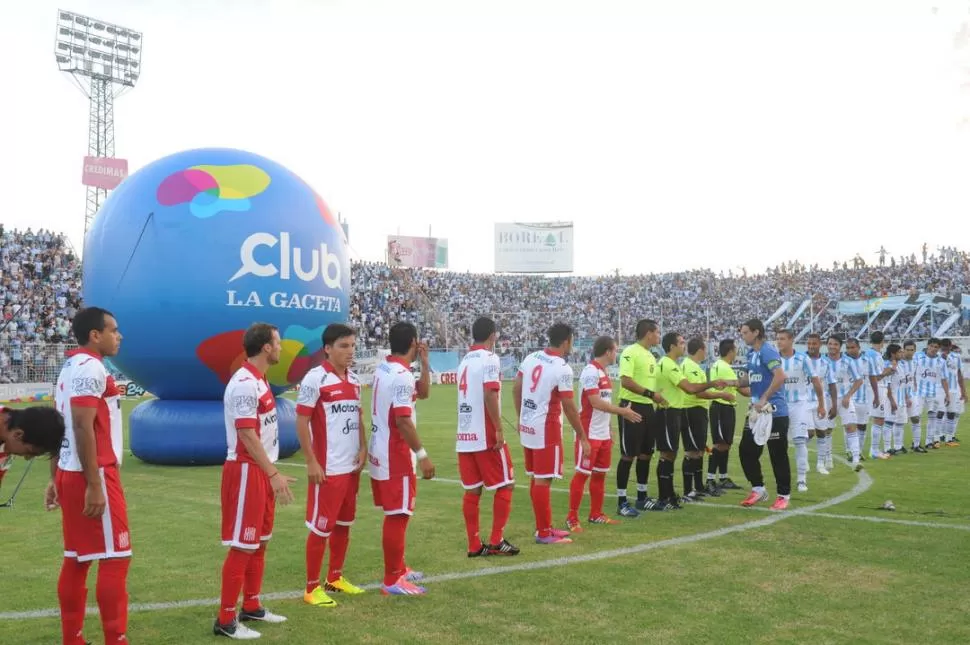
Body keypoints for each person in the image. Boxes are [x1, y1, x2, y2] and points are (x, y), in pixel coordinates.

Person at [50, 307, 130, 645]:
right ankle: (116, 638)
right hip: (92, 474)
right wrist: (95, 484)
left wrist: (54, 477)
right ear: (95, 335)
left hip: (71, 472)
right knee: (116, 556)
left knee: (77, 558)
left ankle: (74, 638)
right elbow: (81, 426)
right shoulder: (90, 367)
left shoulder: (70, 367)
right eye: (113, 330)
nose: (119, 335)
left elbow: (58, 427)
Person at [214, 322, 295, 640]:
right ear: (266, 347)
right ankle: (225, 620)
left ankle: (251, 605)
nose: (281, 347)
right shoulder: (245, 383)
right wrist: (271, 473)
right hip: (247, 471)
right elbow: (246, 434)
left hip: (260, 470)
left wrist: (271, 469)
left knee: (260, 542)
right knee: (242, 546)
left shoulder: (259, 381)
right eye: (278, 342)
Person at [296, 323, 368, 609]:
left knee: (344, 525)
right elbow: (301, 421)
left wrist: (362, 447)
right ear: (327, 349)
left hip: (351, 468)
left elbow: (358, 417)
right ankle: (311, 588)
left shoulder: (354, 380)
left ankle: (334, 578)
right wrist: (311, 461)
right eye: (343, 346)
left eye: (352, 345)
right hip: (327, 469)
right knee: (321, 528)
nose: (350, 351)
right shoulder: (315, 379)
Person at [369, 321, 435, 595]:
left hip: (382, 450)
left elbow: (425, 392)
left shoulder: (387, 368)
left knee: (398, 513)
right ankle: (392, 579)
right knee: (397, 515)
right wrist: (422, 455)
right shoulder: (400, 375)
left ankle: (399, 567)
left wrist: (424, 363)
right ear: (413, 342)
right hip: (395, 454)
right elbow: (403, 421)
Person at [514, 322, 588, 544]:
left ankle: (543, 527)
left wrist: (520, 417)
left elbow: (516, 387)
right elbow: (568, 405)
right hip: (546, 428)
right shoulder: (562, 367)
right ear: (566, 341)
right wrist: (583, 437)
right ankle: (544, 532)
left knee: (536, 478)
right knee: (543, 480)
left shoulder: (531, 357)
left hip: (528, 425)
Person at [455, 317, 519, 556]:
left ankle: (474, 545)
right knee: (506, 484)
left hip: (465, 435)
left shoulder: (465, 360)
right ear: (493, 335)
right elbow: (490, 393)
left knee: (472, 490)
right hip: (485, 434)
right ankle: (495, 540)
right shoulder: (490, 358)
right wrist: (499, 428)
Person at [566, 335, 639, 532]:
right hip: (588, 433)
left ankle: (596, 514)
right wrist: (623, 411)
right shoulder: (591, 371)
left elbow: (602, 406)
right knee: (582, 475)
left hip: (602, 434)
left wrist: (609, 429)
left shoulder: (603, 372)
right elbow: (595, 402)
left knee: (599, 475)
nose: (617, 354)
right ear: (607, 352)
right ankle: (571, 517)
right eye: (615, 350)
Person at [653, 332, 726, 508]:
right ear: (671, 346)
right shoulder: (668, 364)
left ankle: (669, 495)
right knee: (667, 455)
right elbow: (690, 388)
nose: (683, 345)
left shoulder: (674, 364)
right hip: (667, 412)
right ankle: (665, 497)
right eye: (681, 342)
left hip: (675, 412)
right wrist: (713, 383)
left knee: (671, 454)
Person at [735, 319, 791, 510]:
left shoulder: (767, 351)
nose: (742, 337)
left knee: (777, 454)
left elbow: (780, 376)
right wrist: (727, 382)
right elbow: (746, 380)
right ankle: (758, 489)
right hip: (755, 412)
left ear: (756, 332)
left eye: (745, 333)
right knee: (746, 451)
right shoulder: (751, 354)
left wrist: (765, 397)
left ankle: (783, 495)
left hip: (774, 412)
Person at [615, 319, 666, 517]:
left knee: (646, 453)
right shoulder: (630, 352)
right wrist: (652, 395)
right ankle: (621, 501)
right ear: (648, 333)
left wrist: (654, 398)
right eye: (657, 332)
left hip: (647, 408)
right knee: (628, 454)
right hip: (632, 407)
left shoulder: (650, 355)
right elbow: (626, 381)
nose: (659, 336)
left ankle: (642, 497)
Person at [680, 338, 732, 502]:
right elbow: (697, 392)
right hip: (691, 409)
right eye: (705, 349)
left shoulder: (696, 366)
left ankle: (699, 486)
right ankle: (688, 490)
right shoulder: (688, 366)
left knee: (700, 450)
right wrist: (721, 394)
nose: (707, 352)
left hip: (699, 410)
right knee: (691, 451)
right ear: (701, 349)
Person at [777, 329, 825, 493]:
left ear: (791, 340)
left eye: (782, 339)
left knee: (799, 440)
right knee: (777, 443)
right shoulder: (774, 359)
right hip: (780, 405)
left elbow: (816, 381)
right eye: (778, 339)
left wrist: (821, 404)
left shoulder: (802, 359)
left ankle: (801, 480)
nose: (779, 342)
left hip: (799, 404)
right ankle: (781, 479)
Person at [706, 339, 748, 493]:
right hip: (721, 407)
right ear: (730, 351)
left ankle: (722, 477)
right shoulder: (724, 368)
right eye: (735, 349)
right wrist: (759, 390)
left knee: (726, 444)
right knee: (719, 444)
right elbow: (742, 389)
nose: (736, 352)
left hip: (726, 408)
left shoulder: (719, 365)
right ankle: (710, 479)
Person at [827, 336, 865, 470]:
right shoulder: (822, 361)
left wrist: (848, 396)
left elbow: (859, 380)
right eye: (830, 344)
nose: (832, 346)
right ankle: (828, 458)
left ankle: (856, 459)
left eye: (835, 344)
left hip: (844, 399)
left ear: (840, 346)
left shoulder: (848, 361)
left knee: (851, 426)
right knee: (827, 430)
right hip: (827, 399)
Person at [805, 333, 838, 474]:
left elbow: (832, 385)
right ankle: (803, 460)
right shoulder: (801, 360)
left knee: (822, 433)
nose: (811, 346)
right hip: (804, 402)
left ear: (820, 345)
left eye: (814, 344)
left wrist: (834, 405)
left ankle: (820, 464)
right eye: (809, 344)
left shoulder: (826, 363)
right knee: (808, 433)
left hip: (821, 402)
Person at [913, 338, 950, 450]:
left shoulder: (941, 361)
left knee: (932, 417)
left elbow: (944, 379)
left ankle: (929, 441)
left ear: (938, 348)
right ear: (928, 346)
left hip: (933, 393)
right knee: (916, 417)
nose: (934, 349)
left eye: (936, 347)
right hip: (918, 392)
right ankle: (916, 443)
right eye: (932, 346)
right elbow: (912, 372)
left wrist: (947, 394)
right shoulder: (918, 356)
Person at [863, 331, 895, 459]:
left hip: (875, 388)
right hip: (875, 389)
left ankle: (874, 449)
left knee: (879, 419)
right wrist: (888, 371)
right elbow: (875, 377)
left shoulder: (871, 354)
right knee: (878, 419)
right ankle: (874, 450)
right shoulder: (874, 355)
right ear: (882, 342)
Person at [0, 405, 65, 459]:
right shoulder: (10, 440)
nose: (27, 458)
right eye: (29, 452)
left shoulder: (8, 440)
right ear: (18, 434)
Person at [882, 344, 909, 455]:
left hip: (902, 399)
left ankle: (898, 446)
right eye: (900, 352)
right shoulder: (888, 366)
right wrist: (892, 400)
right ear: (893, 354)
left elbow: (904, 383)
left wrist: (907, 397)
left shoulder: (901, 365)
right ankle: (887, 447)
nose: (902, 354)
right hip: (892, 398)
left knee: (900, 423)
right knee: (889, 422)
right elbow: (886, 384)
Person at [940, 339, 965, 446]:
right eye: (943, 347)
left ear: (950, 346)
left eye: (947, 347)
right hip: (940, 388)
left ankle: (949, 437)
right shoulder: (937, 357)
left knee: (952, 413)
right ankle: (939, 436)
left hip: (954, 389)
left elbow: (959, 374)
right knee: (940, 413)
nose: (945, 349)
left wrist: (963, 391)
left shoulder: (957, 357)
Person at [902, 341, 926, 453]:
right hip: (900, 394)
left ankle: (916, 445)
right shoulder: (899, 363)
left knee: (916, 418)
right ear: (903, 349)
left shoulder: (915, 363)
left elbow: (913, 377)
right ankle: (897, 446)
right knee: (899, 421)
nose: (910, 352)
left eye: (912, 350)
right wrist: (906, 397)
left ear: (915, 351)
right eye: (907, 349)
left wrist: (915, 386)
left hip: (912, 394)